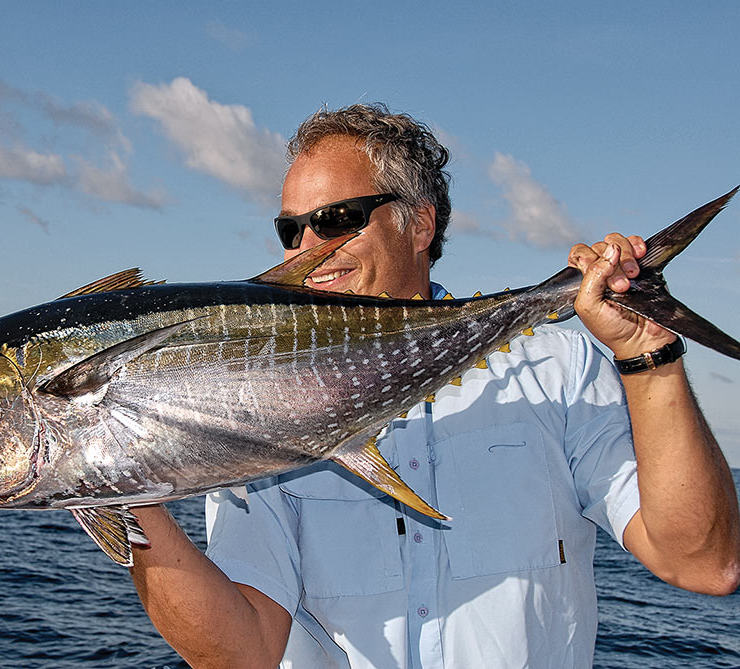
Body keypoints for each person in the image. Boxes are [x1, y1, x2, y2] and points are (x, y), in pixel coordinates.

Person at [128, 104, 740, 668]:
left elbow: (704, 563)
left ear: (419, 224)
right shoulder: (252, 400)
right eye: (291, 231)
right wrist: (114, 489)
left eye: (335, 220)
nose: (308, 248)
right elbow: (242, 650)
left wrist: (646, 353)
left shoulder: (557, 367)